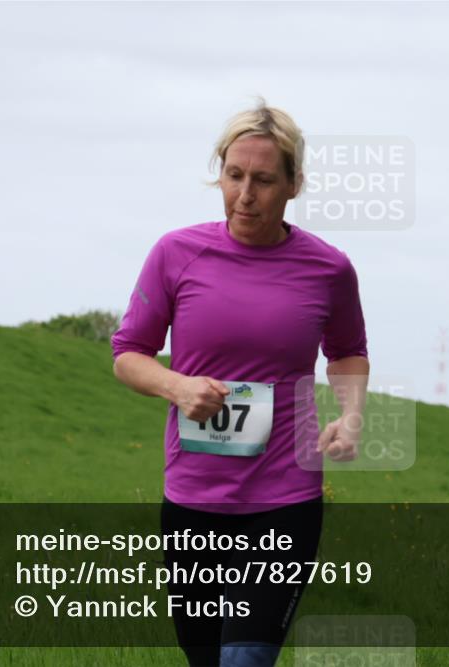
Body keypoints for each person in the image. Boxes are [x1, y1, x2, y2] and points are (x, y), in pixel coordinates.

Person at [110, 100, 369, 666]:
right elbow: (129, 354)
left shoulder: (328, 269)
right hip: (193, 497)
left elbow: (347, 352)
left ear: (294, 185)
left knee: (245, 660)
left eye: (263, 180)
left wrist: (349, 418)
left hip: (285, 498)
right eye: (233, 176)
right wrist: (177, 387)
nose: (245, 194)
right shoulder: (176, 254)